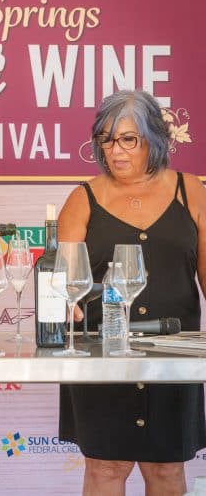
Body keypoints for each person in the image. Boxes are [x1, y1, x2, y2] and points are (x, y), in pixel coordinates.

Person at [58, 90, 206, 496]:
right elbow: (67, 286)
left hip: (174, 357)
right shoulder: (82, 199)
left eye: (128, 139)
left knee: (166, 472)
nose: (115, 150)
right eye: (106, 139)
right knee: (106, 469)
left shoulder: (190, 191)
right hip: (102, 357)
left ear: (154, 139)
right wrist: (63, 305)